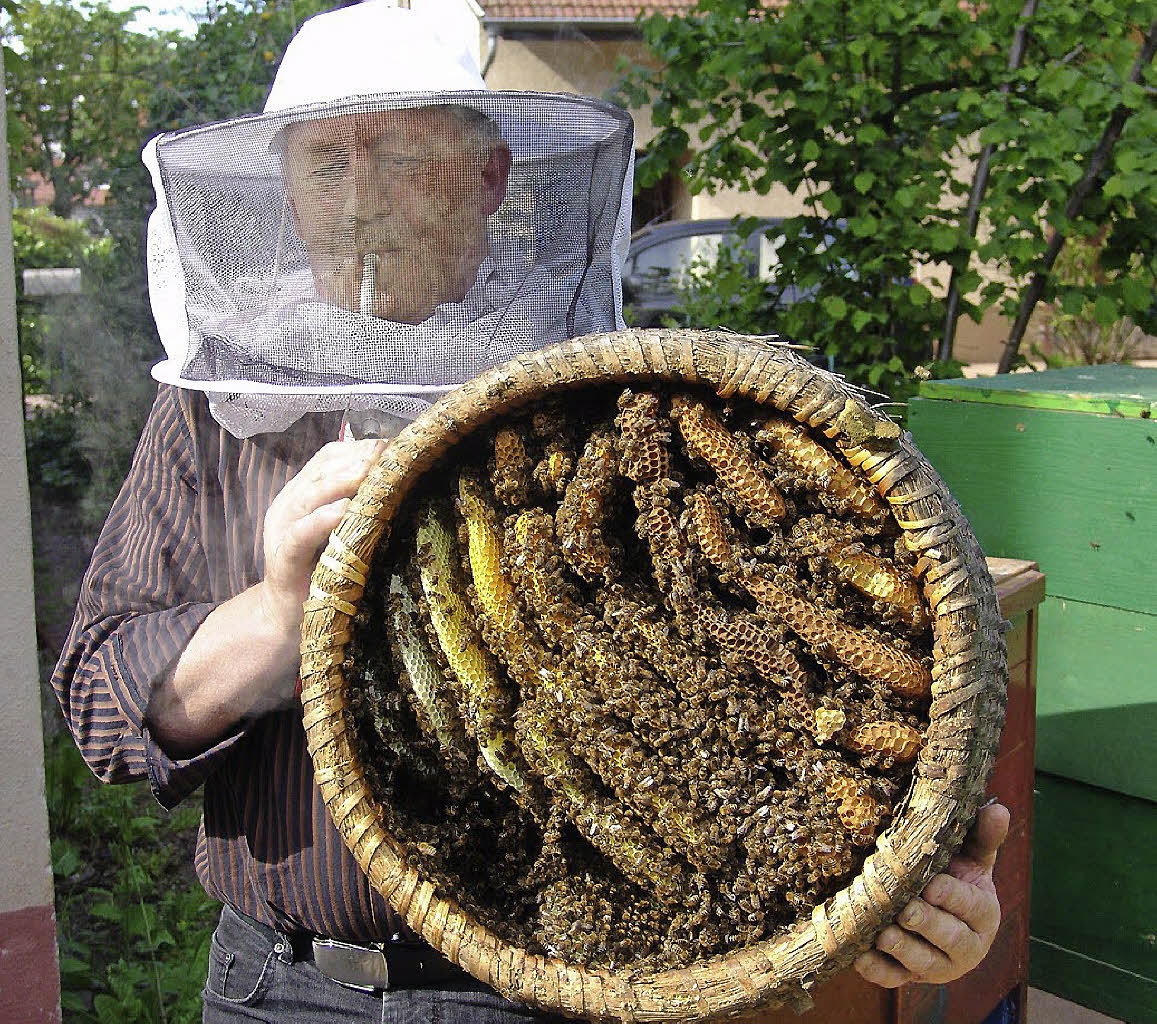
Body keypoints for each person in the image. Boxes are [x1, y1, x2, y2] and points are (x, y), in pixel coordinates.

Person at [52, 2, 1009, 1021]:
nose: (360, 202)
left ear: (490, 179)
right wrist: (280, 612)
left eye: (401, 157)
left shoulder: (615, 408)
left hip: (539, 998)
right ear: (287, 200)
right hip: (275, 988)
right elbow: (102, 707)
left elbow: (775, 673)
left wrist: (909, 893)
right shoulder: (216, 412)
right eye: (325, 166)